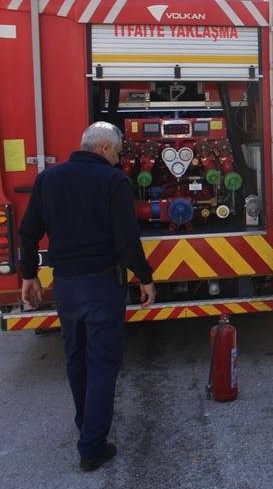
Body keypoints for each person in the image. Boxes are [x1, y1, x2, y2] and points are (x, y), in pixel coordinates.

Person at [18, 121, 156, 472]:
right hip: (102, 286)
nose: (120, 158)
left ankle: (86, 424)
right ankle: (92, 446)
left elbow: (29, 232)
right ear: (106, 149)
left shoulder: (48, 179)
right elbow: (127, 240)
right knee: (103, 362)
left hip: (65, 286)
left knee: (76, 357)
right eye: (119, 152)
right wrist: (145, 278)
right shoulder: (114, 182)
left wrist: (30, 276)